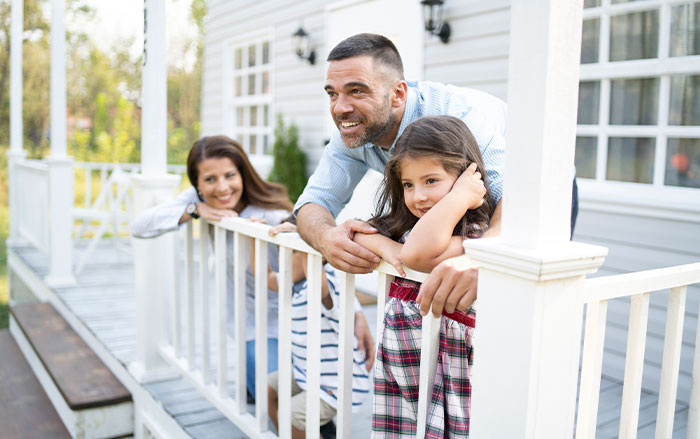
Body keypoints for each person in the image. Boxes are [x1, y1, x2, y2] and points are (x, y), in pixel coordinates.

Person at [130, 135, 375, 401]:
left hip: (294, 320)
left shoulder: (268, 216)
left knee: (297, 399)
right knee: (267, 395)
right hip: (248, 323)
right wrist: (195, 208)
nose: (222, 187)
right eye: (210, 179)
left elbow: (315, 261)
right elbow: (140, 226)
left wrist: (356, 314)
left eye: (229, 175)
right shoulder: (199, 200)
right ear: (197, 184)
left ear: (243, 174)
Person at [293, 33, 506, 317]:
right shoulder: (351, 133)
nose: (340, 108)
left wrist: (483, 259)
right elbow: (314, 203)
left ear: (398, 94)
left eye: (356, 91)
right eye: (332, 93)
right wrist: (325, 237)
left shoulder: (460, 116)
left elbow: (516, 200)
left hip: (536, 194)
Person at [352, 115, 493, 437]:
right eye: (408, 184)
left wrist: (459, 198)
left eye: (431, 181)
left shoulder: (473, 236)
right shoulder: (409, 230)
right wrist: (385, 245)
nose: (418, 197)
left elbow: (416, 254)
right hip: (404, 370)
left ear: (466, 178)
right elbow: (358, 233)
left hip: (449, 367)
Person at [266, 217, 370, 439]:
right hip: (310, 374)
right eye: (280, 250)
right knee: (270, 388)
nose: (282, 257)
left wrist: (302, 237)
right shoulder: (295, 283)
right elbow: (264, 276)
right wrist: (252, 235)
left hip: (338, 385)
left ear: (318, 254)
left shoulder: (328, 282)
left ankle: (295, 431)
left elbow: (319, 283)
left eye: (291, 250)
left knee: (291, 414)